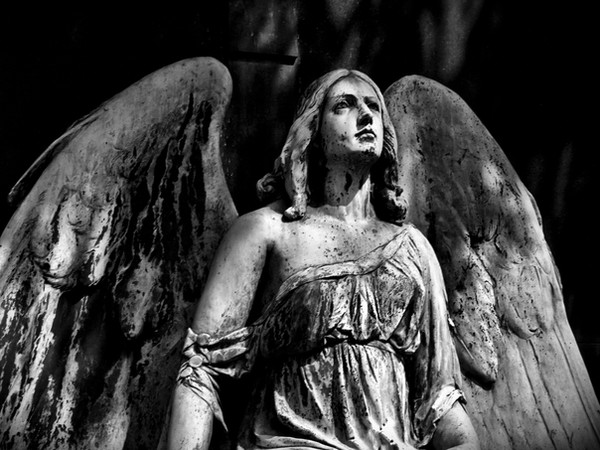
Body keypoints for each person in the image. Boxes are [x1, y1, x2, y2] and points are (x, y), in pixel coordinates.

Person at [167, 69, 480, 450]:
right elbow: (202, 369)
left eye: (373, 107)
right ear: (312, 132)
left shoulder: (414, 249)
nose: (365, 116)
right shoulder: (266, 231)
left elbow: (441, 401)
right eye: (344, 105)